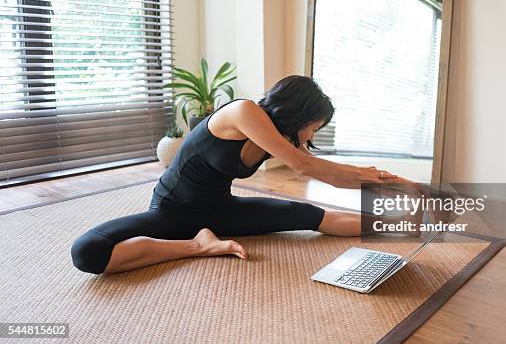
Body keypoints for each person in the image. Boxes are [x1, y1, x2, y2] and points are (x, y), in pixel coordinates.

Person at [70, 75, 424, 274]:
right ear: (300, 113)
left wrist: (400, 193)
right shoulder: (244, 112)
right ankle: (198, 246)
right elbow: (308, 167)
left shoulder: (281, 136)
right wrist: (379, 178)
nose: (312, 136)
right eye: (315, 127)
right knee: (88, 251)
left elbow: (331, 173)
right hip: (172, 211)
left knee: (310, 216)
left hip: (222, 210)